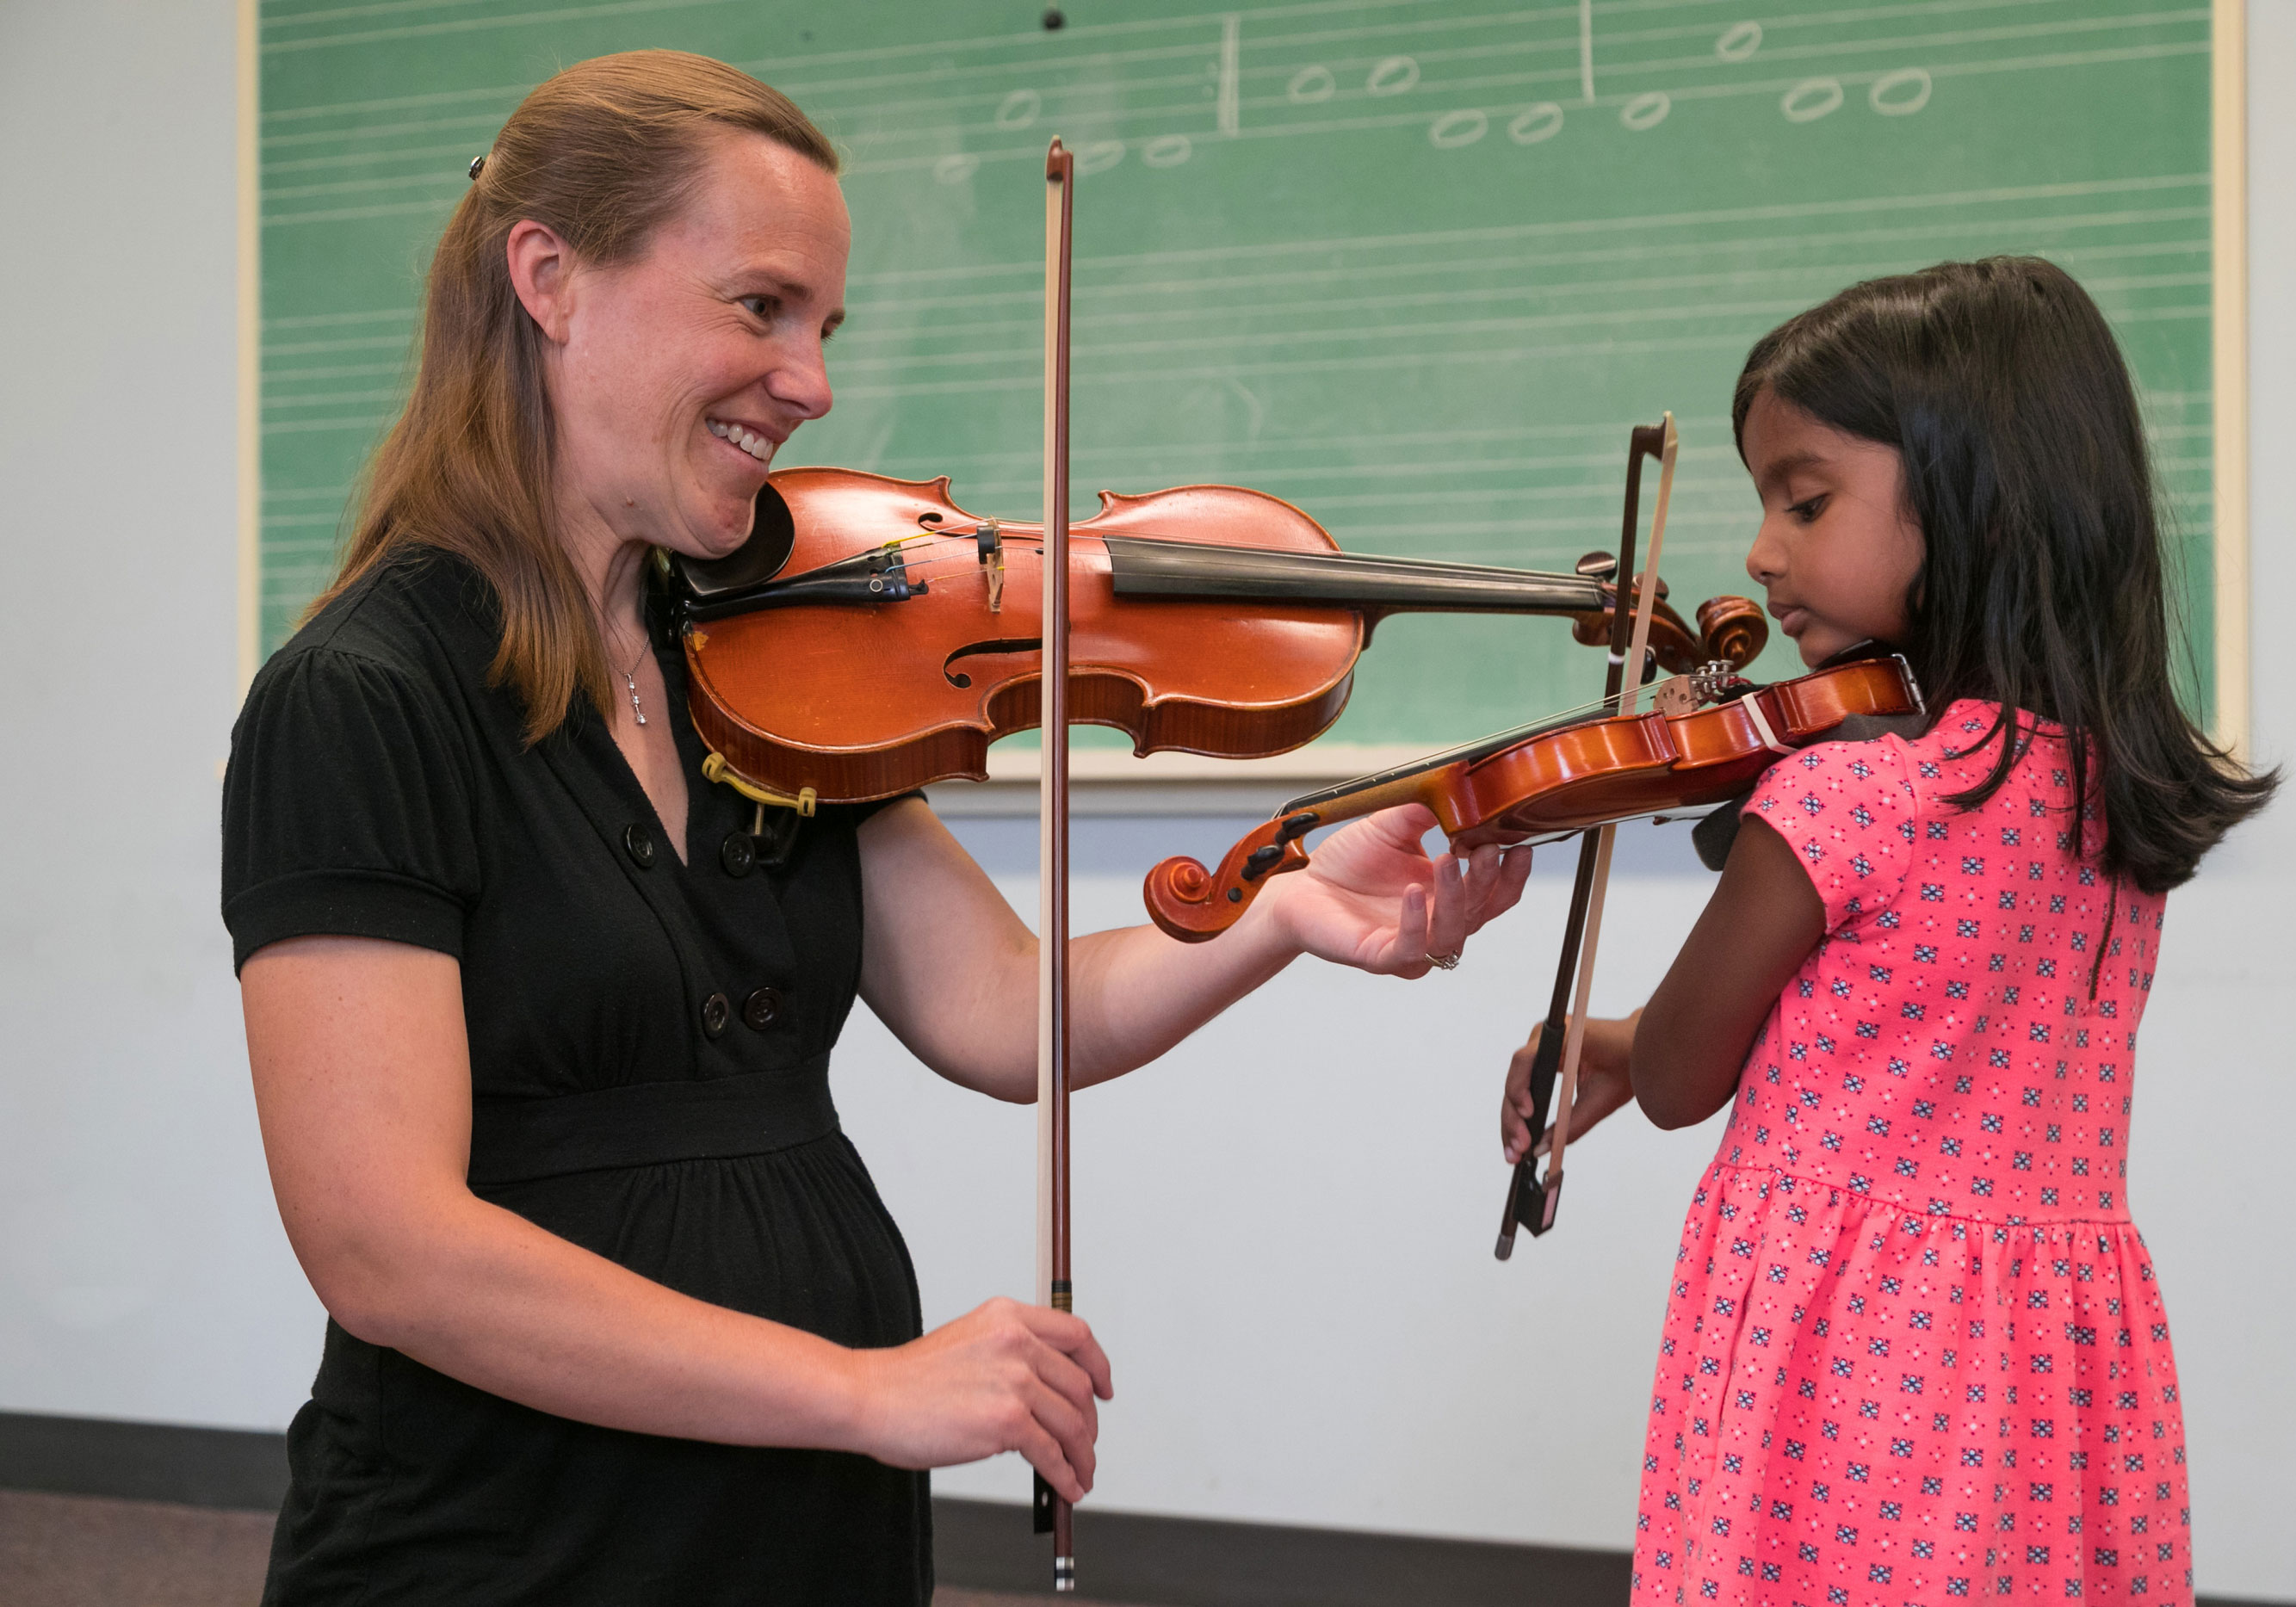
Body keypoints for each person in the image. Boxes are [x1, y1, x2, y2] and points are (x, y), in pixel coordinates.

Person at [223, 51, 1529, 1605]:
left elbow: (1005, 1014)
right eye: (760, 307)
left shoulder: (772, 662)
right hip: (508, 1538)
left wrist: (1282, 911)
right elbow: (388, 1249)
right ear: (551, 278)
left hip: (802, 1524)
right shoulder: (359, 701)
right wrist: (864, 1392)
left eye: (823, 326)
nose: (814, 382)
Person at [1499, 259, 2274, 1604]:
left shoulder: (1852, 791)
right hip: (2048, 1361)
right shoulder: (2108, 806)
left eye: (1807, 500)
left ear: (1979, 504)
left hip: (1855, 1357)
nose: (1759, 553)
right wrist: (1617, 1044)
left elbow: (1688, 1076)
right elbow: (1904, 1042)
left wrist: (1622, 1043)